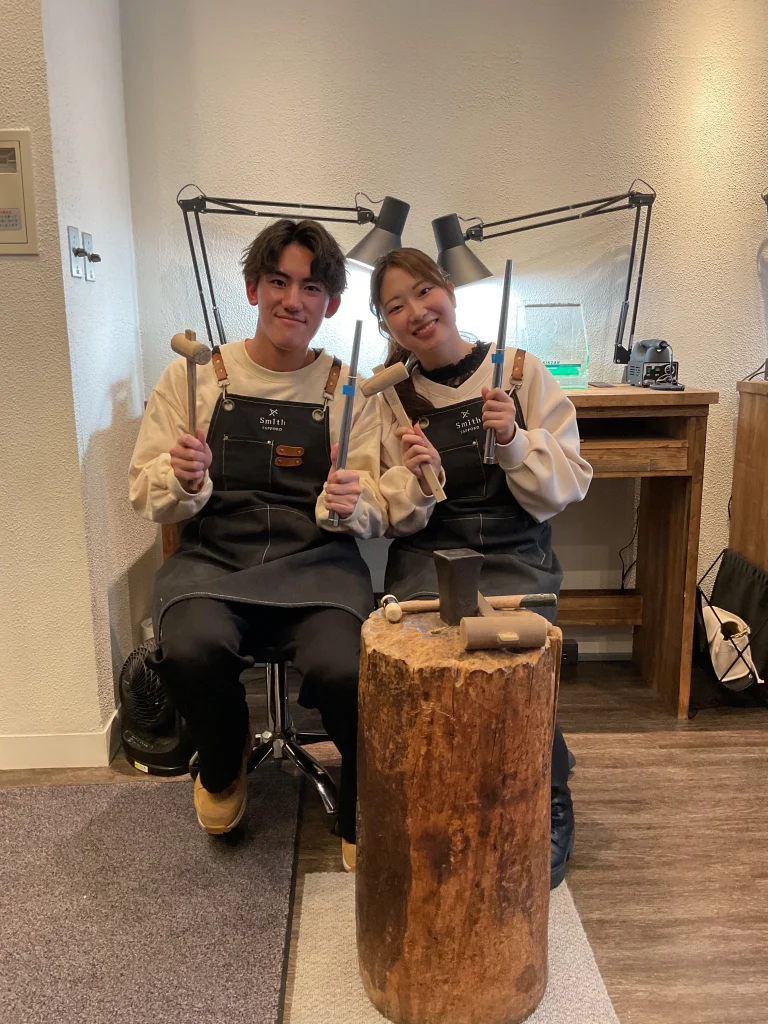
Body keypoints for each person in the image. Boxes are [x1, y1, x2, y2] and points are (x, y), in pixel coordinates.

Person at [129, 219, 386, 871]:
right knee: (189, 647)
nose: (293, 300)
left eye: (311, 287)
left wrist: (350, 503)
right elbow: (143, 491)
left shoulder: (349, 391)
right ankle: (222, 763)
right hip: (213, 563)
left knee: (349, 668)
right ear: (252, 289)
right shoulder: (194, 377)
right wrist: (183, 480)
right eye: (278, 282)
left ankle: (362, 799)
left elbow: (378, 503)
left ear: (331, 304)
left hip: (319, 568)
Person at [372, 248, 593, 888]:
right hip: (428, 555)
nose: (416, 312)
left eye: (423, 292)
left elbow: (569, 483)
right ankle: (443, 791)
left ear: (449, 290)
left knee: (511, 653)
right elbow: (390, 515)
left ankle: (549, 789)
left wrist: (515, 441)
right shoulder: (392, 398)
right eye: (395, 306)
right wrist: (418, 477)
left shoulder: (519, 372)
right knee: (428, 656)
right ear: (385, 323)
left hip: (515, 551)